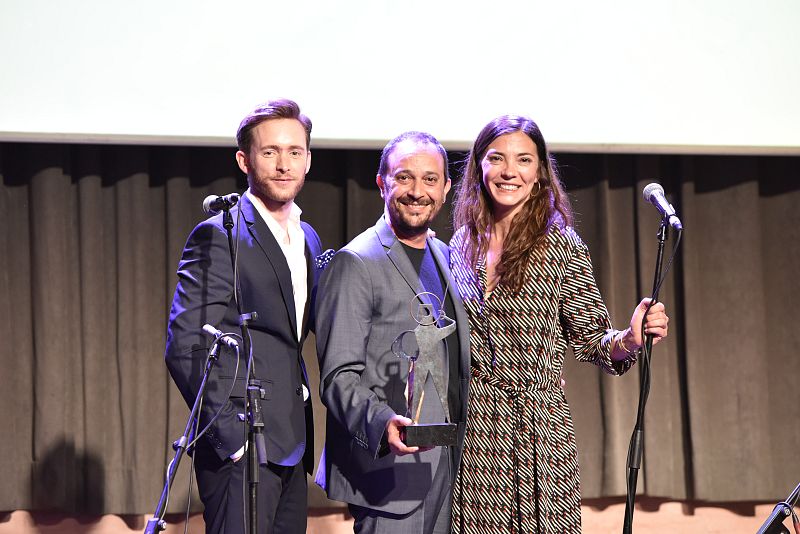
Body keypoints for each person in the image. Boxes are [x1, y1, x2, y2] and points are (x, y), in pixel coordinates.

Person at [448, 115, 670, 533]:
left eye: (524, 160)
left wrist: (630, 338)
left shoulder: (559, 244)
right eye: (496, 158)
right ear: (479, 165)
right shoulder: (461, 244)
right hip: (475, 430)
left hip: (537, 429)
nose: (509, 171)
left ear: (539, 173)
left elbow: (593, 342)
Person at [164, 98, 323, 534]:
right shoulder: (220, 234)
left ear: (308, 159)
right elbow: (186, 344)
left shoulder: (307, 237)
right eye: (270, 152)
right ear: (245, 160)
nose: (283, 164)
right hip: (242, 447)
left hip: (292, 444)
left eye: (294, 152)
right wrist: (232, 441)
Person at [314, 131, 471, 534]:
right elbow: (338, 376)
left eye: (430, 180)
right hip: (390, 472)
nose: (418, 191)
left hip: (450, 467)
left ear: (446, 188)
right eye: (404, 178)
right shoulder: (355, 262)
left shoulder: (446, 254)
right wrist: (382, 422)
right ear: (382, 182)